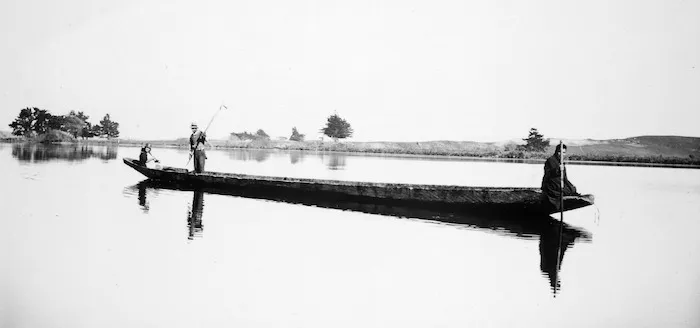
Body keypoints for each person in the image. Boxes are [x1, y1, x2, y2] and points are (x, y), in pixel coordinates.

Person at [541, 143, 579, 212]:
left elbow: (565, 178)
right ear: (556, 152)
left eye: (563, 153)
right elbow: (550, 173)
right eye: (560, 152)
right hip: (551, 184)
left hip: (559, 184)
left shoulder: (562, 163)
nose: (561, 154)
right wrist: (558, 170)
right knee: (560, 191)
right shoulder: (550, 160)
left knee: (572, 189)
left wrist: (571, 187)